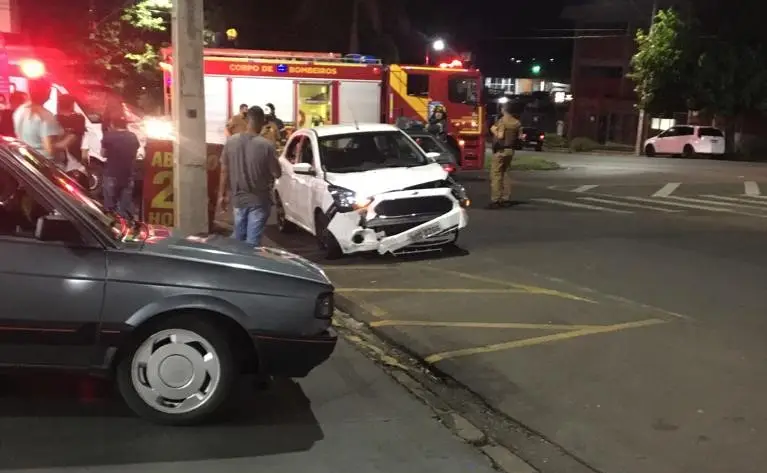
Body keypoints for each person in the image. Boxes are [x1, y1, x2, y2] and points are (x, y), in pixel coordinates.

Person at [217, 106, 281, 247]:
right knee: (252, 242)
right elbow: (277, 173)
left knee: (238, 238)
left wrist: (222, 195)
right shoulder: (266, 146)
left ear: (248, 121)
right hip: (259, 200)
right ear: (261, 121)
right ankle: (247, 259)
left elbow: (224, 171)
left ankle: (235, 257)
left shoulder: (231, 142)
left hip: (238, 199)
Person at [13, 79, 75, 167]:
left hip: (27, 162)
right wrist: (69, 139)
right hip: (46, 166)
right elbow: (50, 149)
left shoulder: (20, 110)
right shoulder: (45, 115)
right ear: (47, 92)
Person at [101, 115, 140, 217]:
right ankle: (124, 223)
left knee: (109, 207)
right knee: (123, 208)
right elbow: (134, 154)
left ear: (113, 124)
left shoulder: (108, 136)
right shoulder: (133, 137)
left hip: (111, 174)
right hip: (128, 175)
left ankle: (110, 224)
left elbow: (103, 154)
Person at [487, 102, 521, 209]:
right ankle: (506, 198)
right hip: (510, 150)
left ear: (503, 110)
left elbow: (500, 136)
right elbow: (520, 137)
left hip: (500, 150)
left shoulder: (502, 121)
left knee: (496, 174)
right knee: (506, 174)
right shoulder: (517, 122)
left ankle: (496, 199)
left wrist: (493, 130)